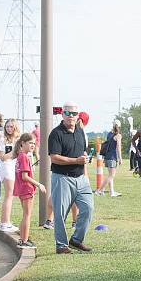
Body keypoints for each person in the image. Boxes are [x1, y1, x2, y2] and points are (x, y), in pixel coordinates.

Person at [48, 102, 94, 254]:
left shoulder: (80, 131)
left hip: (81, 178)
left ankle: (76, 240)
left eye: (74, 114)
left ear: (78, 115)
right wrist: (76, 161)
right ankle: (61, 245)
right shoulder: (56, 133)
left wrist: (85, 159)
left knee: (88, 208)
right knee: (60, 214)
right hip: (62, 178)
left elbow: (81, 152)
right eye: (68, 113)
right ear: (62, 114)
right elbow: (54, 157)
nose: (71, 117)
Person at [14, 133, 46, 248]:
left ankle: (23, 239)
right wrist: (39, 185)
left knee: (25, 215)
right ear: (22, 143)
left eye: (34, 143)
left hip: (22, 189)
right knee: (27, 215)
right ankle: (25, 240)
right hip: (26, 189)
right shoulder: (24, 157)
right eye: (30, 143)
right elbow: (25, 176)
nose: (33, 145)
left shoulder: (20, 156)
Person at [0, 118, 21, 233]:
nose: (9, 128)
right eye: (7, 126)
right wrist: (15, 152)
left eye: (11, 126)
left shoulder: (18, 139)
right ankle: (4, 223)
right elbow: (2, 157)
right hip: (7, 168)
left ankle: (6, 221)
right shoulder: (3, 139)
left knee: (10, 196)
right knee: (8, 195)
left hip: (14, 168)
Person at [97, 120, 123, 197]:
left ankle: (112, 192)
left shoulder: (109, 134)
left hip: (107, 157)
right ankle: (99, 190)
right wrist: (120, 158)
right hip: (113, 157)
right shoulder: (118, 135)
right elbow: (118, 147)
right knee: (111, 176)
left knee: (110, 175)